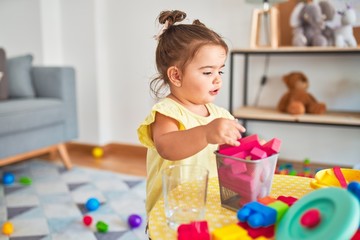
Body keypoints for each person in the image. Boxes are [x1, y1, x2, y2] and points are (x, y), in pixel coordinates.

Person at [137, 10, 246, 222]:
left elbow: (230, 156)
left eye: (220, 71)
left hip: (208, 205)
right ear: (176, 75)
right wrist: (206, 133)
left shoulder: (220, 114)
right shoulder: (167, 112)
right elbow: (167, 147)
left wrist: (248, 149)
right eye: (207, 72)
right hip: (172, 212)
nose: (217, 80)